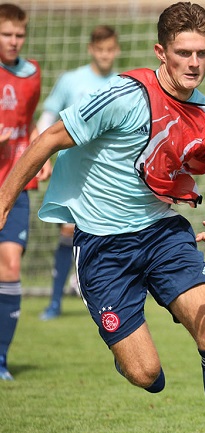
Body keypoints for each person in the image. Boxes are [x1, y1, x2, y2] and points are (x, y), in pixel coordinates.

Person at [0, 2, 205, 433]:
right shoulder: (124, 96)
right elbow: (47, 139)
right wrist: (3, 202)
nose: (194, 63)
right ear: (161, 52)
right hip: (103, 248)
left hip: (163, 234)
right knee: (146, 375)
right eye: (184, 52)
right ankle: (128, 355)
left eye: (203, 53)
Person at [35, 24, 121, 321]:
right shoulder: (72, 80)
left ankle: (107, 299)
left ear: (117, 50)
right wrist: (40, 156)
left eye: (110, 50)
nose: (105, 55)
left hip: (111, 175)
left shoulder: (122, 83)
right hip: (75, 173)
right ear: (90, 50)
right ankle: (55, 301)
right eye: (100, 50)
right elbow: (49, 116)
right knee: (67, 233)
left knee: (112, 235)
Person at [0, 3, 49, 381]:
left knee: (11, 267)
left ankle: (1, 360)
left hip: (14, 185)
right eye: (7, 35)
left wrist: (39, 153)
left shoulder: (32, 74)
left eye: (19, 35)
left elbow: (28, 122)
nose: (14, 42)